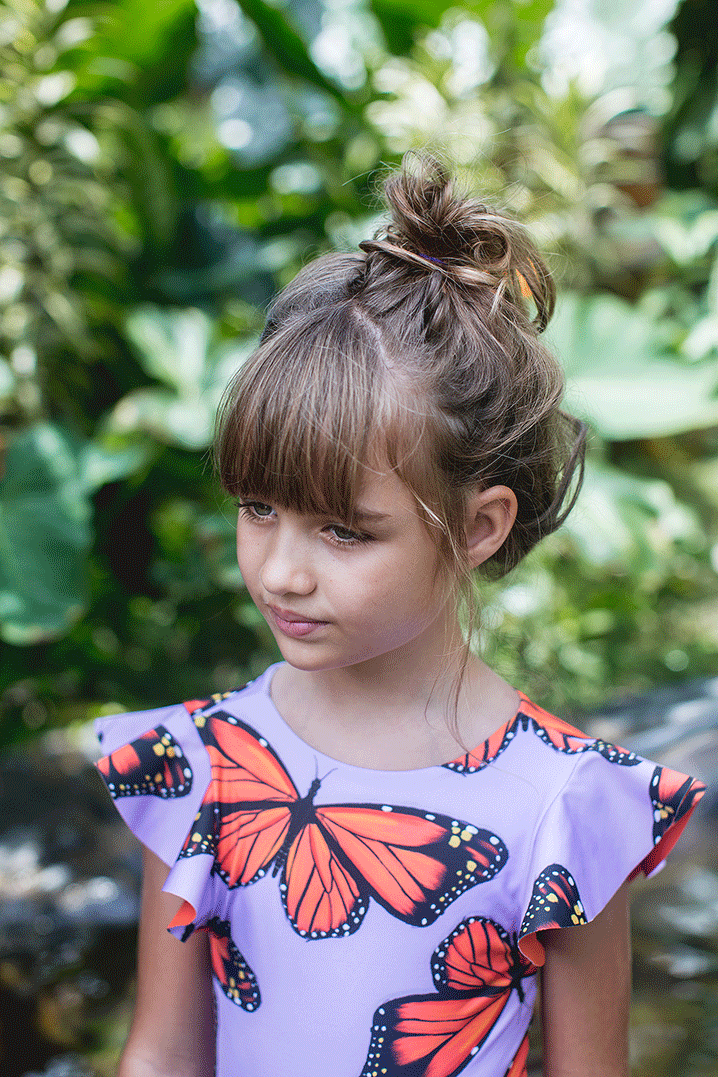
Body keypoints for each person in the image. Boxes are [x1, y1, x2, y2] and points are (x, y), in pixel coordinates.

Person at [95, 155, 705, 1077]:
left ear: (478, 527)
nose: (281, 572)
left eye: (344, 530)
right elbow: (162, 1056)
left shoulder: (565, 807)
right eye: (258, 508)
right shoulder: (201, 768)